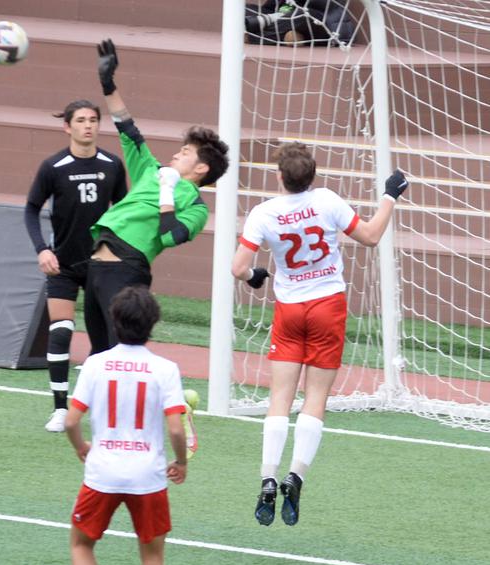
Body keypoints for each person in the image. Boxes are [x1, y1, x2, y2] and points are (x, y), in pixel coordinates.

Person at [231, 142, 408, 526]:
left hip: (290, 309)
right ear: (313, 176)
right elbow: (372, 235)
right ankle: (295, 477)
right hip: (328, 305)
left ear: (279, 176)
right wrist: (390, 196)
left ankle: (267, 478)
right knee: (316, 397)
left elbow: (238, 266)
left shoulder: (264, 213)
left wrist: (254, 276)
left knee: (280, 397)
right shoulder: (327, 201)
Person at [85, 39, 230, 354]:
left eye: (187, 152)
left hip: (126, 271)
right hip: (96, 266)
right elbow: (127, 128)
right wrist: (108, 83)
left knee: (120, 354)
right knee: (97, 358)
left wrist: (166, 192)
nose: (178, 153)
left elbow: (169, 236)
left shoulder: (195, 206)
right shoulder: (151, 169)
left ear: (202, 167)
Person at [65, 285, 188, 565]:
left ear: (114, 319)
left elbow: (71, 421)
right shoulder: (165, 369)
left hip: (103, 471)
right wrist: (181, 462)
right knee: (153, 556)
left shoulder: (95, 364)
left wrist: (81, 446)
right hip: (148, 475)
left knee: (81, 545)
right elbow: (176, 430)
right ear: (152, 323)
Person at [24, 99, 128, 433]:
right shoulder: (53, 166)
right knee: (61, 331)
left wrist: (120, 252)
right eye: (81, 120)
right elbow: (30, 209)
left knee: (107, 340)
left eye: (93, 120)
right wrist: (42, 250)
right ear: (67, 126)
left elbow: (123, 212)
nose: (88, 125)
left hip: (101, 264)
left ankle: (104, 405)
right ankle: (59, 409)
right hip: (64, 264)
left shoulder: (112, 165)